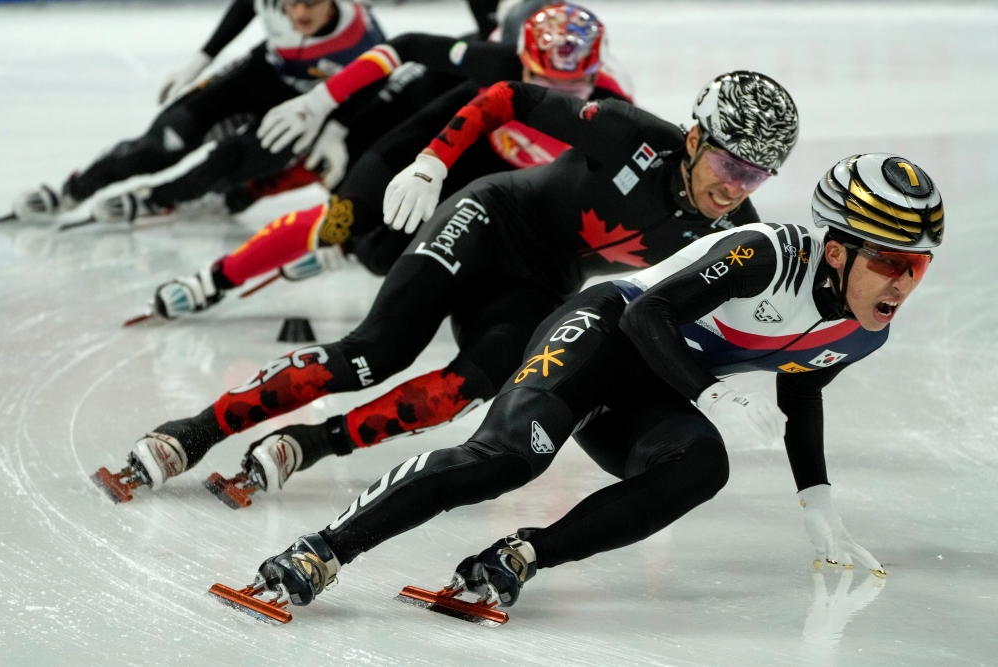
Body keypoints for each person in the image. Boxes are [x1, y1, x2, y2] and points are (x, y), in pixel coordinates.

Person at [241, 153, 943, 615]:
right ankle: (325, 547)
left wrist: (815, 495)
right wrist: (711, 391)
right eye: (890, 261)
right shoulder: (763, 256)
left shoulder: (866, 328)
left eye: (919, 267)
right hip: (606, 331)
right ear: (840, 246)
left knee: (701, 465)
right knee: (510, 458)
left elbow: (804, 384)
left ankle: (520, 554)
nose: (902, 284)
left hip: (656, 388)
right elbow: (649, 315)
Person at [92, 70, 798, 505]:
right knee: (373, 352)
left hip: (540, 282)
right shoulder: (629, 134)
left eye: (755, 177)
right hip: (490, 217)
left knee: (465, 387)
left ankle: (313, 444)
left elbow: (732, 320)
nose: (733, 189)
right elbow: (504, 97)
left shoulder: (735, 233)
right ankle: (193, 431)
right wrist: (432, 162)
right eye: (730, 165)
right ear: (697, 137)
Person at [146, 3, 630, 321]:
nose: (554, 97)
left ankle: (352, 252)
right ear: (518, 59)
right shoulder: (494, 62)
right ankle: (216, 278)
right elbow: (406, 46)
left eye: (572, 87)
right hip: (448, 137)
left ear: (596, 73)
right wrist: (321, 101)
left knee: (383, 258)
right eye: (539, 79)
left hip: (496, 175)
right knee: (343, 217)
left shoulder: (614, 107)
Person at [11, 0, 385, 223]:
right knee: (162, 143)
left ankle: (156, 200)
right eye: (292, 3)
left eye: (312, 3)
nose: (299, 13)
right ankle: (74, 190)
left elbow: (377, 79)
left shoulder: (360, 36)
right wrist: (199, 61)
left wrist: (336, 131)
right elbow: (244, 7)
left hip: (302, 107)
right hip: (258, 74)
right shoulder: (275, 3)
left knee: (228, 161)